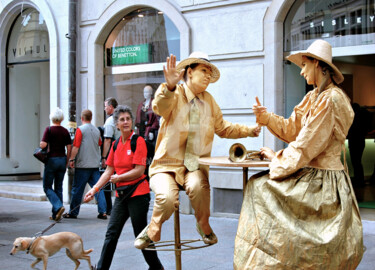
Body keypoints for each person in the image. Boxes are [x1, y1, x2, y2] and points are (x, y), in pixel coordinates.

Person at [234, 40, 364, 269]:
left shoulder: (332, 99)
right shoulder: (315, 97)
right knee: (258, 187)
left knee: (259, 187)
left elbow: (306, 143)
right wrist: (266, 118)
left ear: (318, 64)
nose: (302, 71)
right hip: (312, 173)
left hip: (324, 181)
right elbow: (293, 128)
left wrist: (277, 159)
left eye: (304, 65)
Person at [134, 52, 261, 249]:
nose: (208, 76)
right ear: (190, 72)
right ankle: (153, 228)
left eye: (210, 73)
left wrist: (249, 131)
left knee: (199, 187)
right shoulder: (174, 93)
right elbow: (159, 106)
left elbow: (223, 127)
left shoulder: (209, 101)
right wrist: (168, 86)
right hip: (166, 166)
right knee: (166, 199)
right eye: (204, 71)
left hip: (193, 166)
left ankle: (203, 224)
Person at [83, 105, 164, 270]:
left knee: (141, 235)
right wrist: (95, 189)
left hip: (138, 195)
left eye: (128, 119)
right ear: (117, 124)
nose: (125, 122)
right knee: (111, 234)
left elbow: (139, 170)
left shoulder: (138, 141)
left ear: (132, 122)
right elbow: (108, 170)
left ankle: (156, 267)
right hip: (121, 196)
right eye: (122, 119)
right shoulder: (115, 144)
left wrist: (119, 177)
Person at [65, 109, 107, 219]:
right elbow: (99, 143)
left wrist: (71, 159)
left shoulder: (80, 130)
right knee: (98, 188)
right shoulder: (97, 130)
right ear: (91, 118)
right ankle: (103, 211)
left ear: (82, 118)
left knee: (77, 189)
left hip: (83, 165)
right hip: (94, 164)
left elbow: (76, 146)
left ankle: (73, 212)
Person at [40, 107, 72, 221]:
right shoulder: (65, 131)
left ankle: (58, 206)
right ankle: (56, 214)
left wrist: (42, 143)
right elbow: (69, 147)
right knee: (58, 187)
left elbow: (43, 145)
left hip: (51, 160)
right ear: (62, 118)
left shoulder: (48, 130)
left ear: (52, 117)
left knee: (47, 186)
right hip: (62, 160)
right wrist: (67, 160)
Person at [101, 97, 121, 215]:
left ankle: (109, 208)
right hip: (123, 151)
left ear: (110, 107)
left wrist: (104, 157)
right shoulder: (121, 117)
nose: (104, 109)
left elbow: (107, 140)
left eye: (105, 106)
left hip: (114, 153)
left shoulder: (110, 121)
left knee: (107, 180)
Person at [347, 103, 372, 187]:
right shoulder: (363, 116)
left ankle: (358, 181)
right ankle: (360, 180)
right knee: (358, 162)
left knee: (355, 162)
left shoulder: (353, 118)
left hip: (353, 141)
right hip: (361, 140)